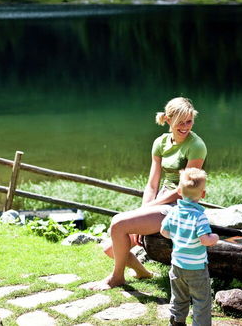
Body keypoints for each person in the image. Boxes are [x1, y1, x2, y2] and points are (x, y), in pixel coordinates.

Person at [93, 97, 207, 290]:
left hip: (180, 206)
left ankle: (117, 277)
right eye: (180, 122)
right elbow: (152, 184)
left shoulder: (196, 146)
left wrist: (150, 208)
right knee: (109, 249)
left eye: (189, 121)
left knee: (118, 223)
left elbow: (183, 191)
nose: (185, 127)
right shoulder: (160, 143)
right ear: (169, 120)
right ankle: (143, 272)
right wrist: (145, 208)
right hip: (161, 200)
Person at [160, 167, 219, 326]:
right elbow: (205, 240)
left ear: (179, 191)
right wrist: (215, 238)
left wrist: (177, 236)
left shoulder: (173, 212)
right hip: (196, 268)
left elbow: (164, 231)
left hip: (177, 265)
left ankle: (176, 321)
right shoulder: (200, 217)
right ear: (203, 194)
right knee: (201, 301)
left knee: (179, 297)